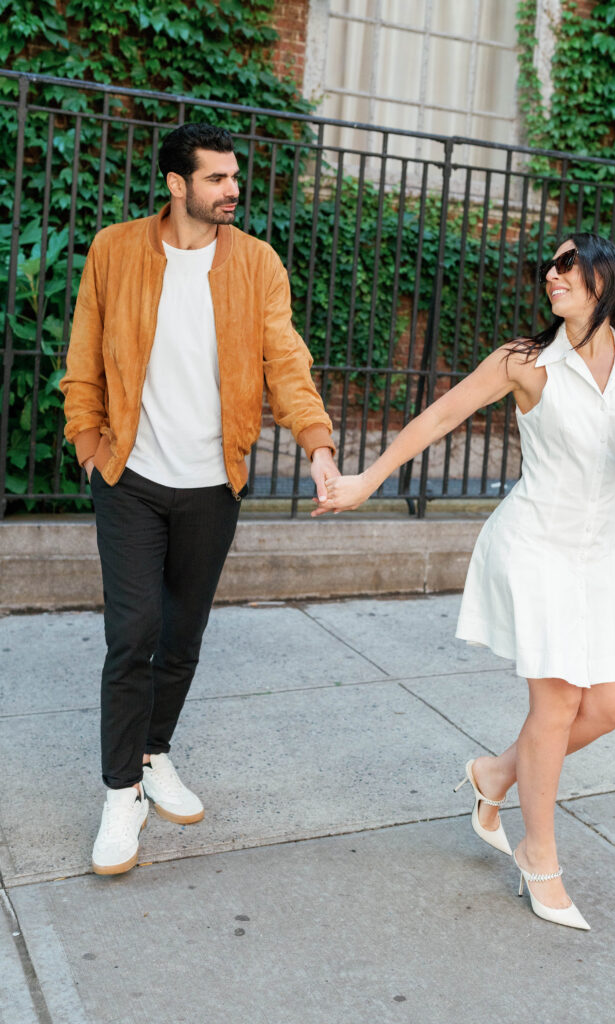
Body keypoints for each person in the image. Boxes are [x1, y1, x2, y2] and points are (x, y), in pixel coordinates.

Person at [314, 233, 615, 931]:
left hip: (597, 550)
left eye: (567, 265)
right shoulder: (524, 362)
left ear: (604, 280)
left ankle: (495, 775)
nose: (551, 274)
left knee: (612, 705)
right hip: (534, 543)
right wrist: (366, 481)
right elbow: (440, 416)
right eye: (550, 265)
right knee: (558, 701)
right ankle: (539, 854)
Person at [61, 123, 338, 876]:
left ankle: (154, 754)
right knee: (134, 635)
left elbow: (285, 358)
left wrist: (316, 444)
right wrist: (88, 443)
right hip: (129, 478)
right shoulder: (114, 250)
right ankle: (121, 795)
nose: (231, 190)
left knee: (181, 636)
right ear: (176, 184)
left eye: (233, 177)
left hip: (214, 482)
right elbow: (84, 353)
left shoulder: (255, 263)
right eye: (215, 178)